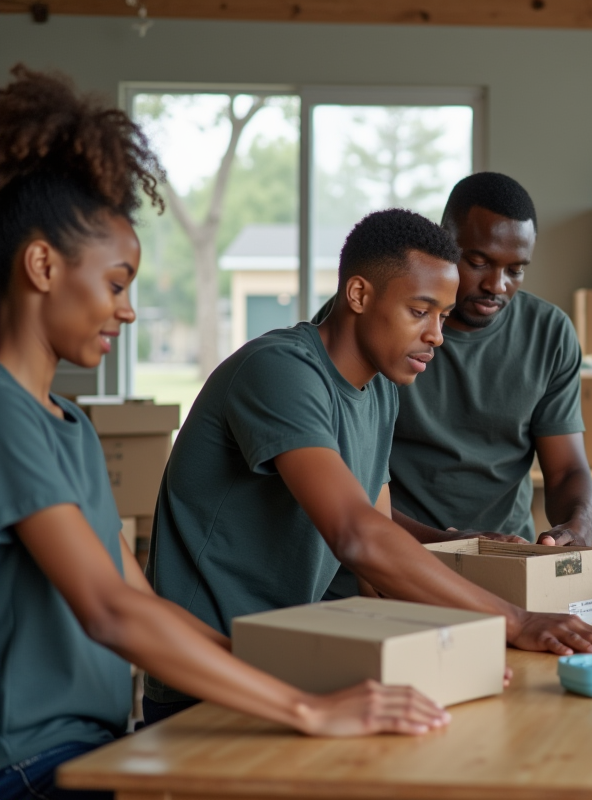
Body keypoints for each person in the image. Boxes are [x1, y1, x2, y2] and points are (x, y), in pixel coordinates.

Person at [0, 66, 453, 800]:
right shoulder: (6, 415)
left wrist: (275, 679)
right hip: (28, 765)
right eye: (116, 284)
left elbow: (141, 601)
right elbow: (110, 612)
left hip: (97, 745)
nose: (128, 311)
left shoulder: (71, 428)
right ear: (43, 265)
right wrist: (306, 707)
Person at [144, 205, 592, 724]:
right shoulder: (279, 371)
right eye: (420, 312)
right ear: (358, 295)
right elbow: (357, 536)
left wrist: (463, 553)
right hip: (209, 679)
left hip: (289, 666)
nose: (438, 336)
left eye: (443, 315)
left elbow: (376, 540)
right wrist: (515, 620)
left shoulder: (379, 390)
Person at [316, 172, 592, 549]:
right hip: (391, 551)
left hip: (504, 553)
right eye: (478, 262)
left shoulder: (549, 332)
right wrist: (451, 545)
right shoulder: (371, 324)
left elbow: (566, 471)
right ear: (445, 244)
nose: (497, 286)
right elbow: (344, 488)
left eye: (515, 270)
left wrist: (576, 525)